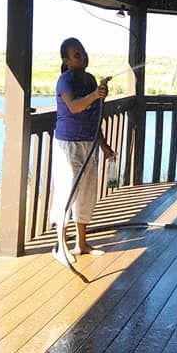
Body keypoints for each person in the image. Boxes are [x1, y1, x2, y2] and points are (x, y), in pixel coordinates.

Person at [50, 37, 114, 262]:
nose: (83, 56)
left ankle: (81, 243)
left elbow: (94, 114)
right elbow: (75, 107)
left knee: (86, 193)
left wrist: (103, 144)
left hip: (89, 142)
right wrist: (95, 94)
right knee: (68, 192)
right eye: (77, 54)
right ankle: (60, 247)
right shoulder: (65, 80)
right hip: (68, 144)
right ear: (67, 60)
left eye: (83, 52)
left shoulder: (89, 79)